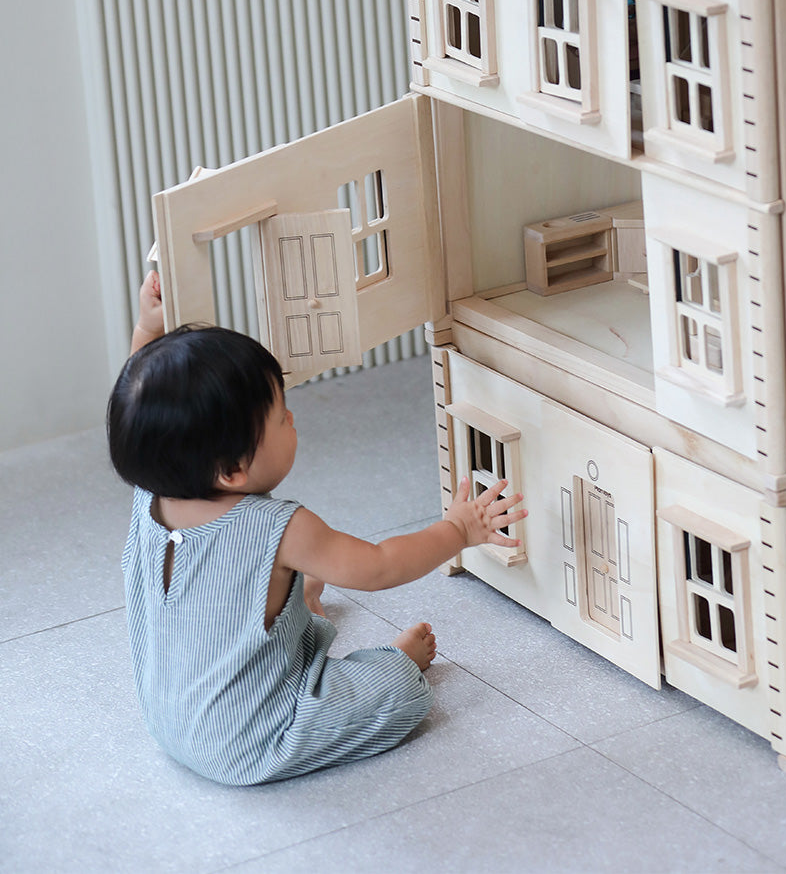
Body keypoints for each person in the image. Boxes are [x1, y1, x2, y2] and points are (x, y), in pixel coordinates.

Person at [109, 271, 526, 785]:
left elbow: (144, 402)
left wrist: (149, 329)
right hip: (247, 741)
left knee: (270, 609)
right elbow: (379, 567)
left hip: (169, 718)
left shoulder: (152, 490)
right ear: (233, 470)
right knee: (395, 695)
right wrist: (458, 530)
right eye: (280, 415)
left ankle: (299, 605)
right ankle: (393, 660)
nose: (292, 418)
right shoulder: (276, 529)